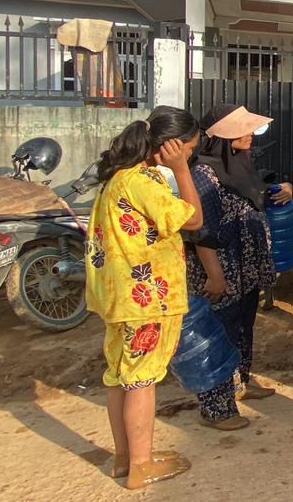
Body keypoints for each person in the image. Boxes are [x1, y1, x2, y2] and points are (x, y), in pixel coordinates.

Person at [84, 106, 204, 490]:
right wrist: (183, 173)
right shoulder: (142, 182)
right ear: (171, 147)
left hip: (120, 298)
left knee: (120, 377)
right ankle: (140, 465)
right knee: (141, 381)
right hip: (147, 299)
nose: (191, 156)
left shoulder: (115, 179)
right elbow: (194, 221)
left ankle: (124, 458)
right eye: (189, 150)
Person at [185, 104, 290, 431]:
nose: (250, 135)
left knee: (244, 325)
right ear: (225, 136)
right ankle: (216, 407)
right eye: (243, 129)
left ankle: (241, 382)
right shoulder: (203, 174)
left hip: (245, 266)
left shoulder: (240, 164)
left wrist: (285, 190)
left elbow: (254, 196)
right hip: (221, 269)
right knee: (220, 333)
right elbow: (201, 232)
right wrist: (215, 275)